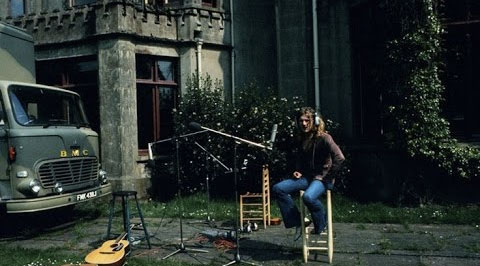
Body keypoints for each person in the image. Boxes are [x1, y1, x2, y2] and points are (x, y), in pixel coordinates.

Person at [272, 107, 345, 238]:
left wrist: (329, 176)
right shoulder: (302, 139)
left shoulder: (325, 138)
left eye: (307, 120)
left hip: (322, 178)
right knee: (278, 189)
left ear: (315, 121)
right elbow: (302, 160)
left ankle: (321, 223)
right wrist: (298, 171)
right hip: (307, 177)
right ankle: (299, 221)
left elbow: (340, 157)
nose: (304, 124)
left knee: (308, 197)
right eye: (301, 121)